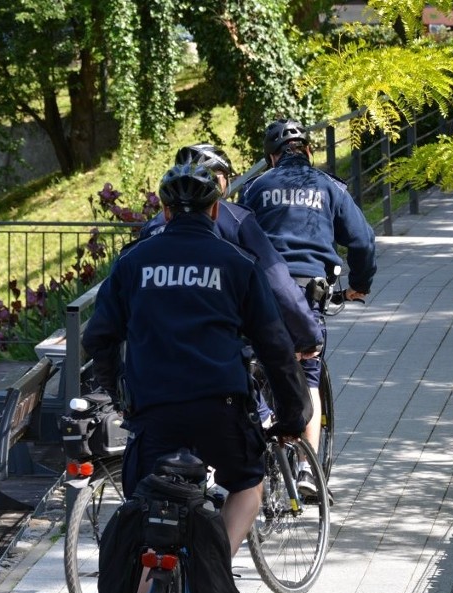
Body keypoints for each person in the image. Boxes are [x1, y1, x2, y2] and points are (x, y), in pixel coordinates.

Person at [82, 162, 312, 565]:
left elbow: (98, 337)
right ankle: (213, 570)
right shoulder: (238, 263)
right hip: (220, 409)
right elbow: (275, 346)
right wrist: (293, 414)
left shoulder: (133, 263)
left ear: (165, 212)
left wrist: (119, 390)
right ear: (216, 211)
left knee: (148, 534)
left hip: (154, 411)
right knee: (246, 487)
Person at [243, 118, 377, 497]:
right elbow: (363, 241)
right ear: (309, 151)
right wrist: (358, 286)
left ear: (271, 158)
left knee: (253, 366)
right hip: (307, 294)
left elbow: (235, 234)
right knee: (309, 375)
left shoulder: (255, 188)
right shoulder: (329, 188)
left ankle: (257, 437)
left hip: (261, 291)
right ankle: (306, 469)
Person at [141, 143, 323, 356]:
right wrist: (307, 333)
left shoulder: (152, 227)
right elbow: (277, 280)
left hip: (157, 349)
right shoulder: (236, 219)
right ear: (218, 180)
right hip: (222, 352)